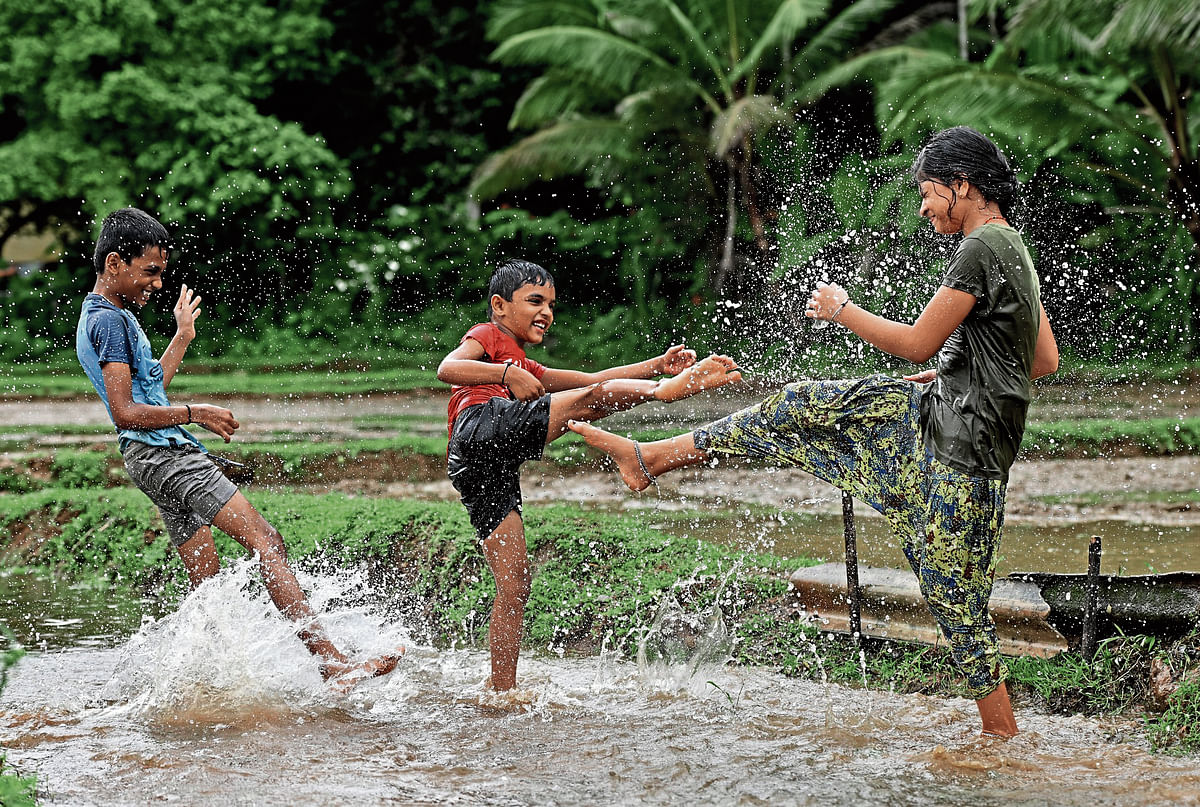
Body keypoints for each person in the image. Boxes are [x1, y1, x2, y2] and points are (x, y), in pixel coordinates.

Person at [569, 127, 1060, 738]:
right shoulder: (1014, 248)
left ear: (962, 186)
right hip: (954, 433)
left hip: (955, 455)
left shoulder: (978, 250)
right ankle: (653, 456)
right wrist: (958, 369)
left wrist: (841, 310)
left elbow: (914, 345)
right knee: (805, 406)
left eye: (929, 193)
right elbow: (1042, 360)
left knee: (957, 610)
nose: (924, 207)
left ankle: (1003, 742)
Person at [75, 207, 400, 690]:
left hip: (148, 457)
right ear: (116, 263)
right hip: (164, 454)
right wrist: (197, 412)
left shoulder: (103, 315)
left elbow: (149, 391)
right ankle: (331, 662)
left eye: (161, 274)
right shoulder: (111, 323)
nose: (158, 285)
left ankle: (202, 682)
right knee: (266, 539)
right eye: (151, 272)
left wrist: (181, 338)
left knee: (207, 583)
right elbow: (125, 411)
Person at [437, 258, 742, 697]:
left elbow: (595, 378)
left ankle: (501, 690)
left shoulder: (526, 361)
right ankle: (661, 401)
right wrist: (506, 374)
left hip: (482, 466)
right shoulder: (488, 336)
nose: (546, 312)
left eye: (551, 304)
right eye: (535, 301)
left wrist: (657, 364)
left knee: (515, 583)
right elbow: (448, 368)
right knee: (589, 402)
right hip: (481, 426)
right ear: (500, 306)